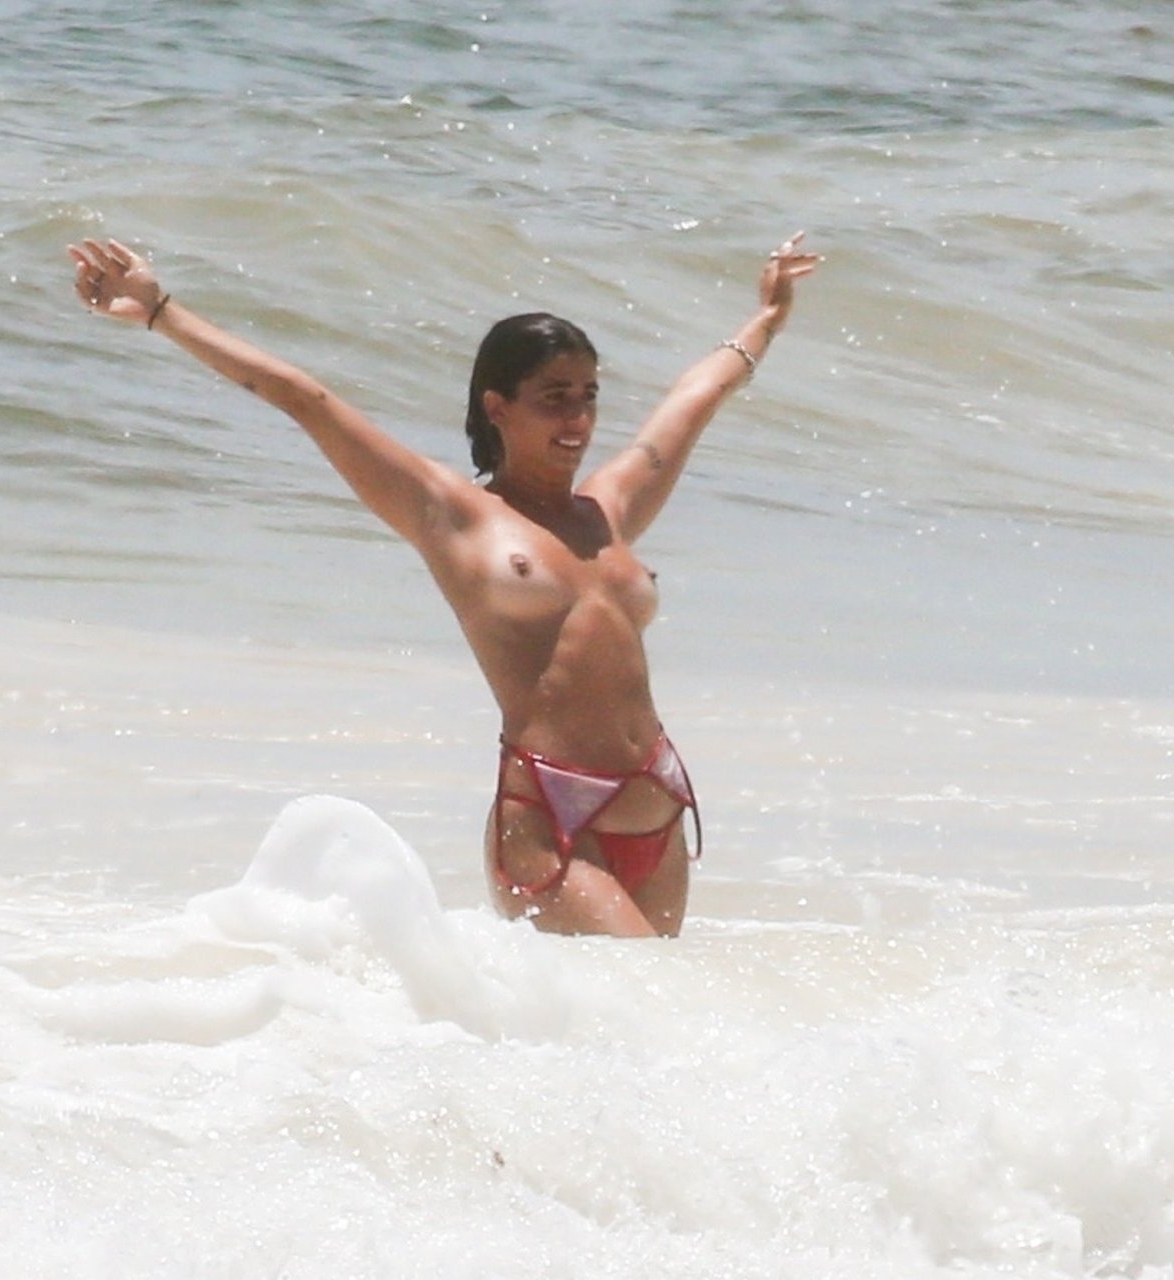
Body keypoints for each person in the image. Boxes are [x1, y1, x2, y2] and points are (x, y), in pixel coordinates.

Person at [66, 233, 820, 938]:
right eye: (554, 396)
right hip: (552, 818)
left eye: (589, 395)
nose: (579, 417)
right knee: (643, 999)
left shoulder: (610, 509)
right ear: (498, 407)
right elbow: (304, 398)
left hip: (656, 803)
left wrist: (766, 319)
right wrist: (162, 313)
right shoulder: (454, 515)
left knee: (647, 1017)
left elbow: (696, 398)